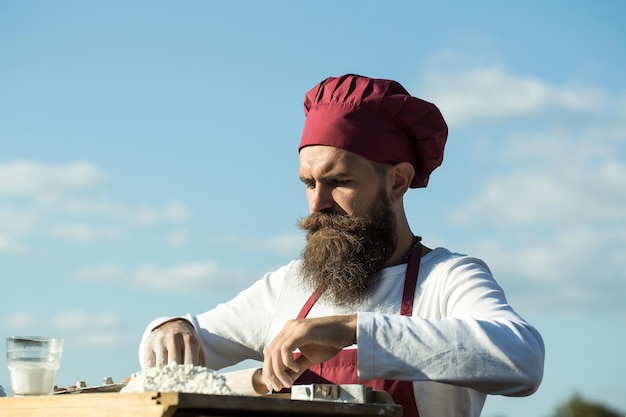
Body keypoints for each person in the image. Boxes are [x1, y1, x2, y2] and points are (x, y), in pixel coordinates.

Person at [138, 74, 545, 417]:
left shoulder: (448, 279)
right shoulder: (290, 286)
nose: (318, 203)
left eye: (339, 182)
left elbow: (523, 361)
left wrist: (352, 329)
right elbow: (183, 350)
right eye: (310, 184)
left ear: (398, 181)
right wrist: (172, 327)